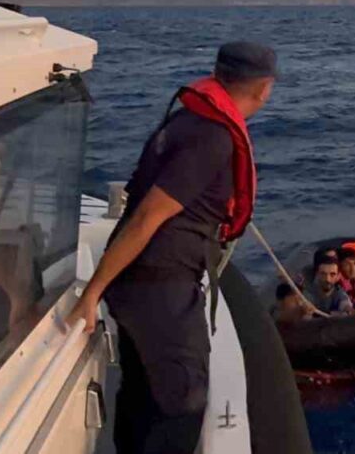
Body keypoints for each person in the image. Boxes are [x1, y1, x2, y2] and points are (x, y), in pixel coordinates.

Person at [63, 41, 276, 454]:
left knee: (144, 396)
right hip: (159, 285)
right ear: (264, 88)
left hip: (145, 282)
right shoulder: (213, 138)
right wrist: (93, 292)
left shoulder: (187, 120)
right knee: (182, 403)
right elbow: (147, 217)